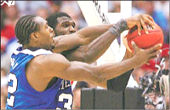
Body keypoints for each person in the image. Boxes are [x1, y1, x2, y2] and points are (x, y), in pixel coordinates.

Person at [6, 14, 161, 109]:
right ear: (35, 36)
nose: (51, 30)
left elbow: (82, 37)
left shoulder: (28, 50)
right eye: (47, 28)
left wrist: (124, 24)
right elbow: (96, 73)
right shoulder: (44, 62)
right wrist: (135, 61)